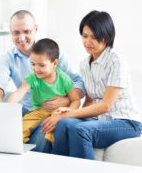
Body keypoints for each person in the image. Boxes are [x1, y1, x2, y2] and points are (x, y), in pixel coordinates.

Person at [46, 10, 142, 159]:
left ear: (106, 37)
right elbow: (89, 102)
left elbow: (105, 106)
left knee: (81, 130)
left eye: (94, 37)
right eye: (85, 36)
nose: (88, 42)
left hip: (126, 122)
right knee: (64, 124)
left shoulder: (116, 61)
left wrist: (70, 113)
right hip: (100, 119)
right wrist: (68, 115)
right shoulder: (85, 64)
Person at [0, 10, 85, 152]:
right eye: (16, 33)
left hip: (56, 109)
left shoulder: (53, 52)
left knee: (47, 130)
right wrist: (1, 111)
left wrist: (65, 101)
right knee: (7, 130)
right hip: (31, 110)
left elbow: (78, 82)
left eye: (26, 31)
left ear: (36, 30)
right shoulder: (9, 59)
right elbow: (0, 88)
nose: (21, 38)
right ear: (10, 32)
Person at [7, 38, 80, 144]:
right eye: (33, 64)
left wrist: (68, 113)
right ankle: (20, 147)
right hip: (39, 111)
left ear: (54, 63)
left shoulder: (64, 79)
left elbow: (76, 100)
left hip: (59, 110)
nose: (36, 69)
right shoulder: (33, 77)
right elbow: (20, 92)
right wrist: (7, 107)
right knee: (20, 128)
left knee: (52, 127)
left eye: (41, 65)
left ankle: (51, 142)